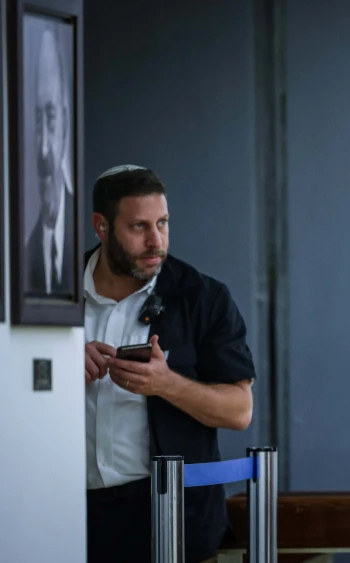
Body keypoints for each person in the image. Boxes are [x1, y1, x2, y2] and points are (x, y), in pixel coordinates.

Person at [83, 164, 256, 563]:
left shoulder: (204, 297)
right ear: (101, 226)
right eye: (139, 227)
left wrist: (165, 384)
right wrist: (60, 368)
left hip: (172, 520)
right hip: (60, 512)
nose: (156, 241)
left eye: (162, 223)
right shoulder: (51, 293)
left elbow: (239, 410)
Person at [26, 28, 73, 296]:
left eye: (51, 117)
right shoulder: (23, 253)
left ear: (65, 124)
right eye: (37, 119)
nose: (43, 148)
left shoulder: (97, 251)